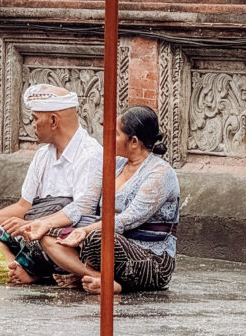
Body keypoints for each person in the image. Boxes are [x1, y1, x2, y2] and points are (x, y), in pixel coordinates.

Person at [0, 83, 102, 284]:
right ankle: (16, 266)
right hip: (33, 227)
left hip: (64, 234)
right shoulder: (42, 155)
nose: (32, 125)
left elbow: (83, 208)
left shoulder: (90, 154)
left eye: (35, 119)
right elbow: (24, 206)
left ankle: (23, 268)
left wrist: (36, 224)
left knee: (45, 239)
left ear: (54, 120)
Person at [26, 105, 179, 294]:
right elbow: (85, 204)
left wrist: (83, 232)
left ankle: (105, 280)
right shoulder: (112, 164)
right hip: (102, 245)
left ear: (133, 141)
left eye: (115, 134)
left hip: (150, 259)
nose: (108, 140)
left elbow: (127, 219)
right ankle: (94, 276)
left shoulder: (161, 173)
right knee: (45, 237)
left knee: (99, 238)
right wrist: (44, 223)